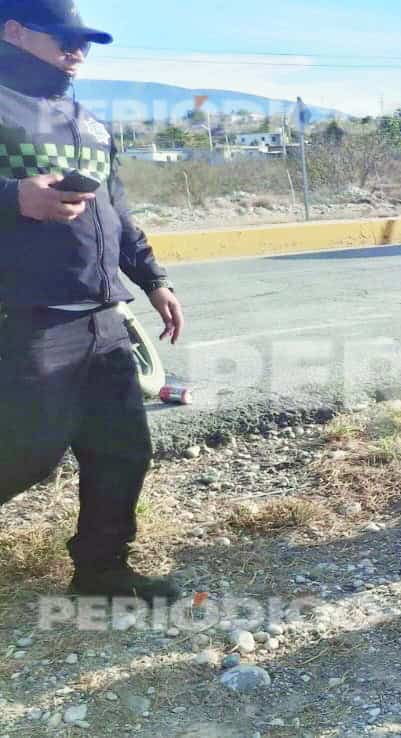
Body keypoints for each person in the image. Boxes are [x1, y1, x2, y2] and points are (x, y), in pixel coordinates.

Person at [0, 0, 188, 602]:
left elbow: (115, 211)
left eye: (85, 41)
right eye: (63, 37)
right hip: (24, 314)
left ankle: (102, 571)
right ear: (14, 31)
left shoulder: (87, 119)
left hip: (102, 313)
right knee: (26, 453)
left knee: (122, 448)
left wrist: (153, 279)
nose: (77, 49)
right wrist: (12, 196)